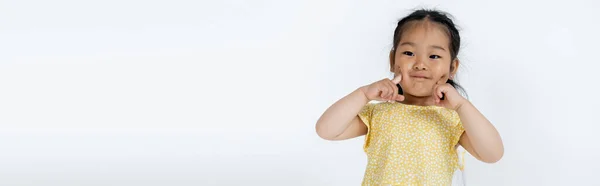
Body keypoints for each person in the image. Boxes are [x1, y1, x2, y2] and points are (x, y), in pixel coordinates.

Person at [315, 8, 504, 185]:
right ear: (392, 60)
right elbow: (326, 130)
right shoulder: (377, 114)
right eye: (409, 53)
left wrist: (462, 106)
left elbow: (492, 154)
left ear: (452, 67)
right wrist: (364, 94)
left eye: (434, 56)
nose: (420, 64)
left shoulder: (453, 119)